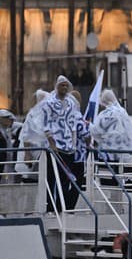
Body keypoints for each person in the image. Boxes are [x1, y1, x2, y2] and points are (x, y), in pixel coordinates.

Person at [41, 75, 79, 212]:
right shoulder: (49, 102)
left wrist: (74, 144)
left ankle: (61, 207)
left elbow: (73, 124)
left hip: (68, 147)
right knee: (52, 178)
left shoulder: (71, 103)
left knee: (65, 178)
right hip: (55, 147)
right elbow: (46, 124)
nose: (64, 88)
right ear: (56, 86)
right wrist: (51, 142)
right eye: (61, 85)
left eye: (66, 86)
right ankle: (51, 207)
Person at [90, 89, 132, 164]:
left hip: (110, 156)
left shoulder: (105, 114)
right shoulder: (123, 111)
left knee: (107, 174)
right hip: (126, 154)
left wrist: (88, 125)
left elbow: (95, 131)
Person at [17, 89, 50, 181]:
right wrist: (27, 154)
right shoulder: (32, 115)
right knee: (31, 177)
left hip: (45, 152)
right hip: (33, 152)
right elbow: (26, 136)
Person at [66, 90, 91, 209]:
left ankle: (62, 206)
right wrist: (89, 142)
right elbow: (84, 134)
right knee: (77, 183)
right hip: (78, 155)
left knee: (64, 181)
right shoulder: (76, 114)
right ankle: (69, 207)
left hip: (65, 154)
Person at [0, 109, 20, 183]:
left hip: (7, 158)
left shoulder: (5, 130)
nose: (10, 121)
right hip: (2, 158)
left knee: (7, 177)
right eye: (7, 118)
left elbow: (21, 125)